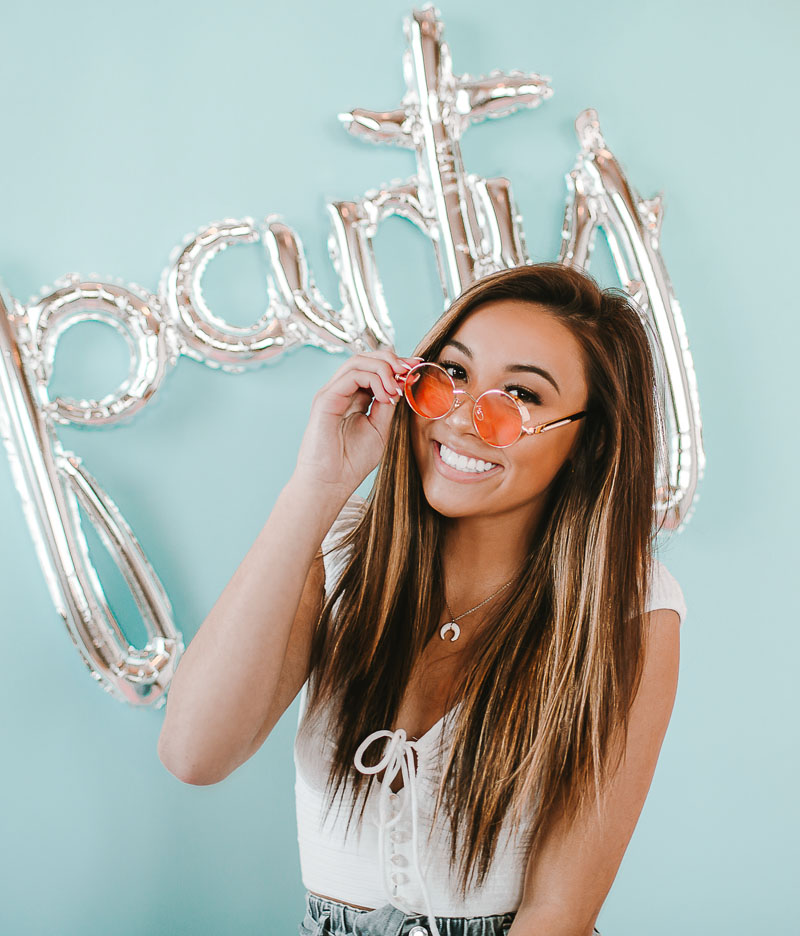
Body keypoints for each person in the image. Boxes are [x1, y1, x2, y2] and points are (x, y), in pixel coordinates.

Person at [158, 262, 687, 936]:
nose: (464, 417)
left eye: (520, 395)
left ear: (587, 443)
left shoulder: (629, 607)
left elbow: (560, 910)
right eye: (454, 374)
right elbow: (194, 753)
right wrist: (316, 487)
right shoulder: (339, 548)